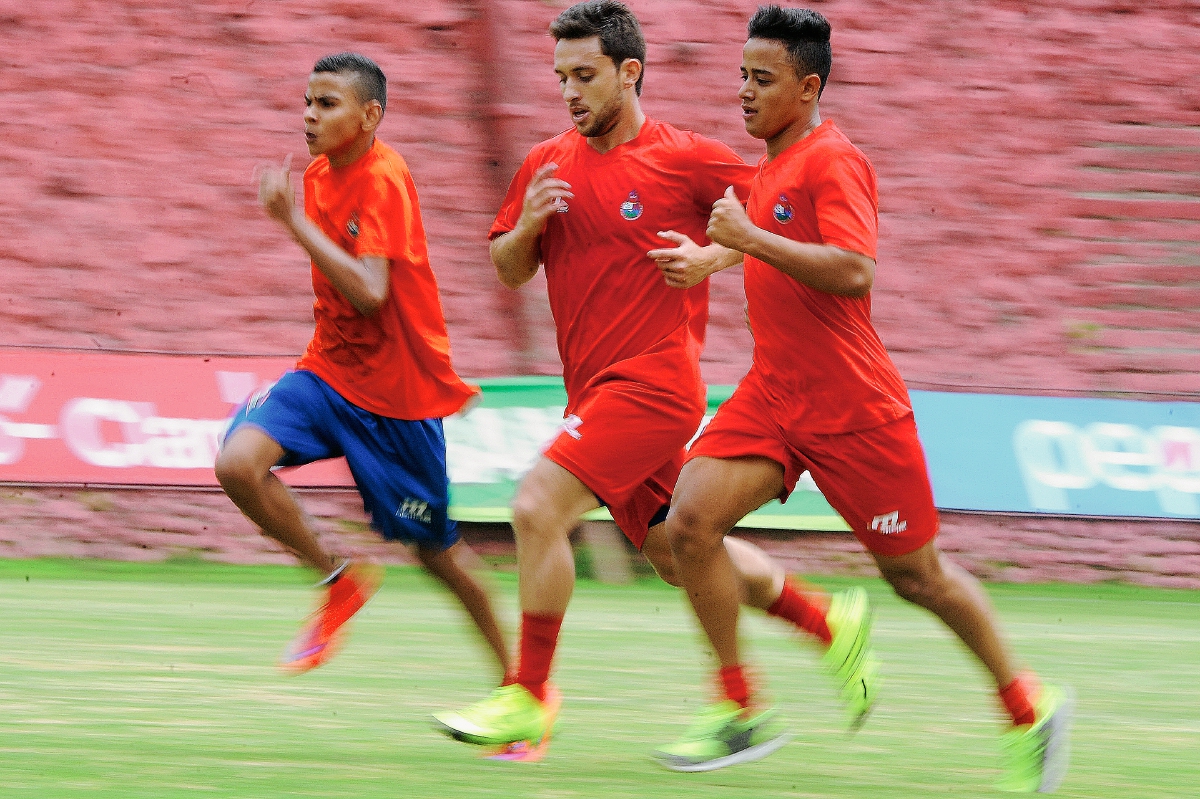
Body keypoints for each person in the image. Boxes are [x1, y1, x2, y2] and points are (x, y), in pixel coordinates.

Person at [433, 1, 872, 767]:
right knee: (677, 550)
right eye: (561, 76)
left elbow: (775, 217)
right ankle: (826, 621)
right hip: (593, 392)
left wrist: (713, 258)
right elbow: (507, 269)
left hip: (655, 385)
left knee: (536, 506)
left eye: (586, 74)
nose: (570, 91)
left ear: (629, 72)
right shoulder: (544, 162)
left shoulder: (687, 158)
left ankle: (530, 696)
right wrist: (530, 224)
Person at [658, 6, 1074, 790]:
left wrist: (745, 240)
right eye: (741, 75)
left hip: (853, 408)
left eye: (763, 79)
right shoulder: (773, 164)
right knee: (688, 523)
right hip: (775, 393)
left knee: (917, 578)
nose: (743, 92)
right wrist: (714, 257)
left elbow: (853, 270)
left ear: (808, 86)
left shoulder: (833, 160)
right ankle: (740, 708)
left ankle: (1029, 704)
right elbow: (777, 241)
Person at [214, 53, 511, 685]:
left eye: (327, 104)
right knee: (238, 463)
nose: (309, 116)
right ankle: (338, 581)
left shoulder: (383, 177)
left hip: (396, 398)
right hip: (327, 372)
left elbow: (372, 291)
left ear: (370, 114)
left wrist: (290, 221)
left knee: (439, 557)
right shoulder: (320, 174)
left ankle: (521, 686)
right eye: (307, 102)